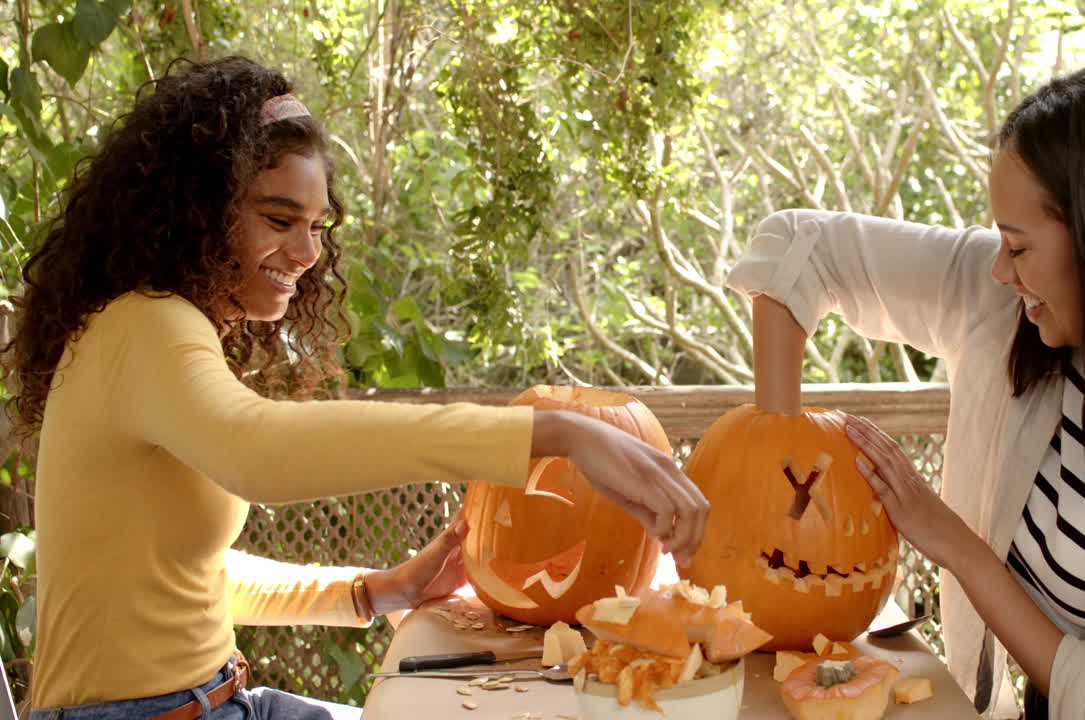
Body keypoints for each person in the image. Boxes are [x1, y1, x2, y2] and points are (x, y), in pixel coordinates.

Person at [6, 56, 709, 719]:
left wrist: (375, 590)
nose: (310, 255)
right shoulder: (144, 325)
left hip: (222, 699)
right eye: (280, 220)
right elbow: (260, 451)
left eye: (316, 227)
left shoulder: (154, 332)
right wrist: (553, 434)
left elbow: (188, 576)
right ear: (191, 210)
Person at [731, 62, 1085, 719]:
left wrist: (956, 544)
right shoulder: (1011, 304)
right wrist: (775, 440)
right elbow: (796, 245)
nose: (998, 269)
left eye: (1018, 249)